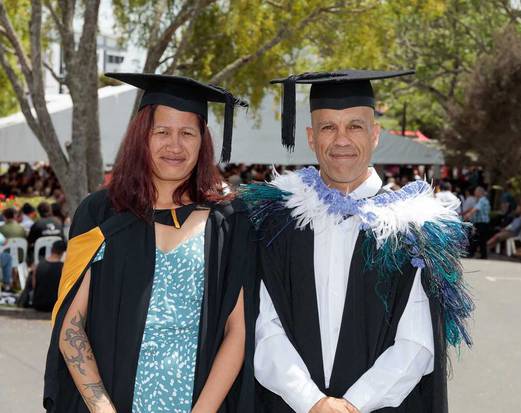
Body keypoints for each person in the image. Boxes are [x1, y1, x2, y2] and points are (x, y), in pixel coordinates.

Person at [243, 70, 473, 413]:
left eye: (355, 126)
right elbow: (265, 324)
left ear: (375, 134)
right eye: (328, 127)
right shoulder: (278, 224)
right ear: (310, 136)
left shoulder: (411, 230)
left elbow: (417, 342)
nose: (341, 140)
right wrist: (312, 402)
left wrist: (353, 405)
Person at [43, 73, 256, 413]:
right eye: (162, 132)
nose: (175, 145)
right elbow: (71, 322)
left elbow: (238, 329)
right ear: (142, 137)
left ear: (203, 142)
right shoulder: (101, 213)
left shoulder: (228, 220)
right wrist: (102, 408)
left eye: (188, 133)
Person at [32, 240, 66, 312]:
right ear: (63, 253)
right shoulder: (63, 267)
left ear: (51, 249)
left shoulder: (38, 265)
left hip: (38, 304)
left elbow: (34, 285)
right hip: (54, 306)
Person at [464, 186, 491, 259]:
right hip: (481, 223)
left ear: (479, 192)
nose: (475, 193)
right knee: (480, 239)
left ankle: (474, 254)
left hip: (482, 223)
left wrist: (468, 215)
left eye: (476, 191)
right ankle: (482, 255)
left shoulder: (482, 200)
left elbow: (476, 209)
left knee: (477, 238)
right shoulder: (480, 200)